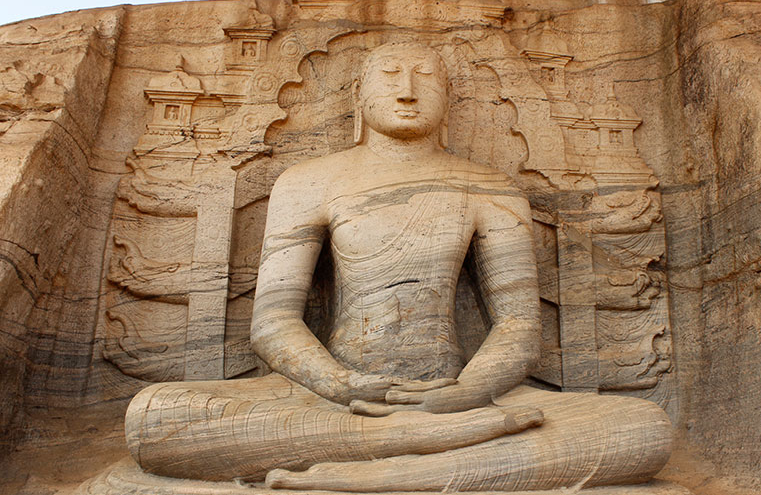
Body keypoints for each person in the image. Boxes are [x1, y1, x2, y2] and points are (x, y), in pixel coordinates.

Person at [124, 43, 672, 491]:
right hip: (335, 401)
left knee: (640, 428)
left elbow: (518, 326)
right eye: (389, 76)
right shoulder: (309, 182)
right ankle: (423, 452)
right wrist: (339, 384)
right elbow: (273, 324)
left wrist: (466, 393)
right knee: (154, 417)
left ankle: (386, 463)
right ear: (360, 99)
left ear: (448, 100)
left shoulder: (488, 187)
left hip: (459, 396)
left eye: (424, 78)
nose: (407, 90)